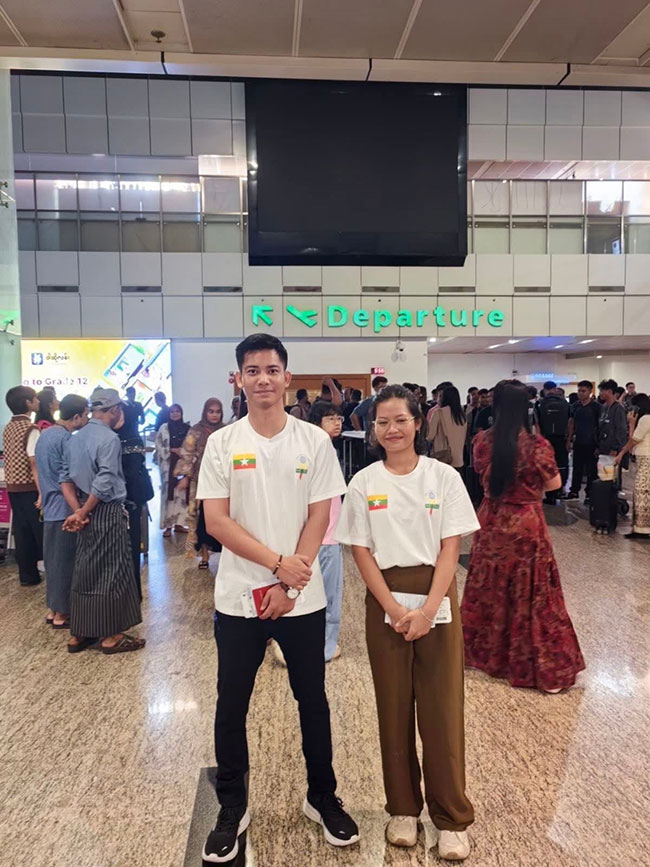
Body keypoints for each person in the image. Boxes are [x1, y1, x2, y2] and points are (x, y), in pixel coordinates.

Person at [196, 333, 358, 862]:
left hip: (301, 599)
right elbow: (217, 521)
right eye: (252, 370)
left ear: (287, 378)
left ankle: (322, 797)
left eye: (271, 370)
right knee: (231, 704)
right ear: (239, 379)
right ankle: (232, 806)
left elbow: (320, 515)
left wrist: (289, 583)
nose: (262, 379)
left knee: (313, 700)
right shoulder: (223, 443)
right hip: (239, 597)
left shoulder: (313, 440)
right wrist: (275, 565)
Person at [335, 384, 478, 860]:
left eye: (401, 420)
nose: (392, 429)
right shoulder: (363, 483)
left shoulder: (443, 477)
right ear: (373, 429)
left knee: (442, 708)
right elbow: (360, 551)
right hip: (385, 598)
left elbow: (451, 547)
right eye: (383, 422)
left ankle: (451, 816)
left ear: (418, 423)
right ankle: (402, 809)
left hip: (437, 594)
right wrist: (395, 610)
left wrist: (429, 608)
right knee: (393, 706)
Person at [462, 380, 585, 692]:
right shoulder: (537, 445)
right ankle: (535, 664)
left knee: (489, 587)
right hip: (526, 523)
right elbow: (555, 484)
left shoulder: (482, 441)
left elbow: (480, 472)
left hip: (492, 521)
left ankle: (486, 654)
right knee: (533, 592)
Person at [61, 387, 144, 655]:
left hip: (83, 508)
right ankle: (111, 636)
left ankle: (80, 633)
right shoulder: (109, 439)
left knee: (85, 570)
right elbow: (105, 480)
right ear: (115, 410)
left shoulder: (75, 438)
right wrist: (84, 512)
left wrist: (78, 511)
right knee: (112, 570)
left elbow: (65, 478)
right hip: (105, 510)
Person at [35, 394, 89, 628]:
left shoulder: (44, 435)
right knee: (66, 562)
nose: (87, 419)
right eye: (85, 415)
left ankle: (53, 609)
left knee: (53, 561)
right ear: (75, 417)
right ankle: (62, 614)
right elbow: (71, 476)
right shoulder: (67, 440)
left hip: (50, 507)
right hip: (65, 507)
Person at [309, 401, 345, 662]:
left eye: (339, 418)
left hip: (325, 533)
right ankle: (325, 645)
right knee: (329, 594)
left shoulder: (325, 448)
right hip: (324, 534)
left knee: (324, 592)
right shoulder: (318, 449)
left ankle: (321, 643)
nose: (337, 423)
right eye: (330, 418)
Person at [176, 398, 225, 569]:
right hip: (200, 481)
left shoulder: (226, 431)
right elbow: (187, 454)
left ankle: (226, 556)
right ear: (205, 412)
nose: (214, 415)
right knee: (201, 518)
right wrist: (185, 477)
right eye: (211, 411)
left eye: (217, 412)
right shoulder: (195, 431)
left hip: (221, 481)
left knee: (223, 517)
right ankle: (204, 555)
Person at [3, 386, 42, 586]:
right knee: (39, 531)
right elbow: (34, 462)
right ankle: (52, 572)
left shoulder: (8, 427)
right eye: (35, 398)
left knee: (22, 531)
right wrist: (42, 492)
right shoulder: (30, 429)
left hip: (13, 486)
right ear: (28, 403)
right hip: (29, 486)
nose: (38, 401)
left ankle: (27, 575)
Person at [114, 409, 154, 600]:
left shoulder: (133, 439)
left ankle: (132, 594)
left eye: (122, 415)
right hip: (112, 502)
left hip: (131, 502)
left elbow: (131, 472)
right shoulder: (108, 437)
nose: (117, 418)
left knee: (131, 547)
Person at [615, 393, 650, 539]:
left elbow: (634, 439)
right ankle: (641, 528)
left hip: (647, 459)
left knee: (642, 492)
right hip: (644, 459)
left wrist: (631, 424)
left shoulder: (646, 419)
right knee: (642, 493)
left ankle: (642, 530)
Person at [155, 404, 191, 537]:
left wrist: (183, 452)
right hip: (168, 466)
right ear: (169, 414)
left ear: (181, 413)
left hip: (182, 465)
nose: (175, 414)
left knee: (181, 495)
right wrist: (170, 450)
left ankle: (179, 524)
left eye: (177, 411)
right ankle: (168, 526)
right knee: (168, 496)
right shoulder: (164, 428)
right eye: (172, 412)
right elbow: (158, 445)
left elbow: (192, 446)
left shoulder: (187, 428)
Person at [566, 381, 600, 502]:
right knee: (577, 468)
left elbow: (600, 426)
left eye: (583, 391)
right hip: (578, 442)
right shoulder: (575, 406)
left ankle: (589, 493)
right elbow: (571, 423)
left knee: (592, 470)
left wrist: (598, 445)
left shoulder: (596, 407)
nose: (580, 393)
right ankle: (574, 491)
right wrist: (569, 440)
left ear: (590, 392)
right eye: (579, 391)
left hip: (592, 443)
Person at [538, 383, 569, 503]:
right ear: (555, 389)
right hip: (561, 438)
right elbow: (570, 421)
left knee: (548, 464)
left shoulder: (541, 403)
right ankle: (561, 489)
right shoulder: (564, 403)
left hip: (546, 438)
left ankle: (550, 494)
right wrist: (568, 438)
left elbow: (537, 423)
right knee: (562, 463)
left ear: (544, 390)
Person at [427, 385, 467, 470]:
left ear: (445, 398)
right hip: (459, 460)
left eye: (440, 396)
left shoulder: (439, 413)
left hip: (443, 458)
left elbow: (430, 435)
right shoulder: (461, 416)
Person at [597, 380, 629, 482]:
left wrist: (615, 448)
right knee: (603, 476)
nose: (600, 393)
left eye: (602, 391)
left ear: (609, 391)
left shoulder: (618, 408)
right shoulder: (604, 407)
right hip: (603, 447)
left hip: (613, 449)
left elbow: (621, 430)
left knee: (612, 477)